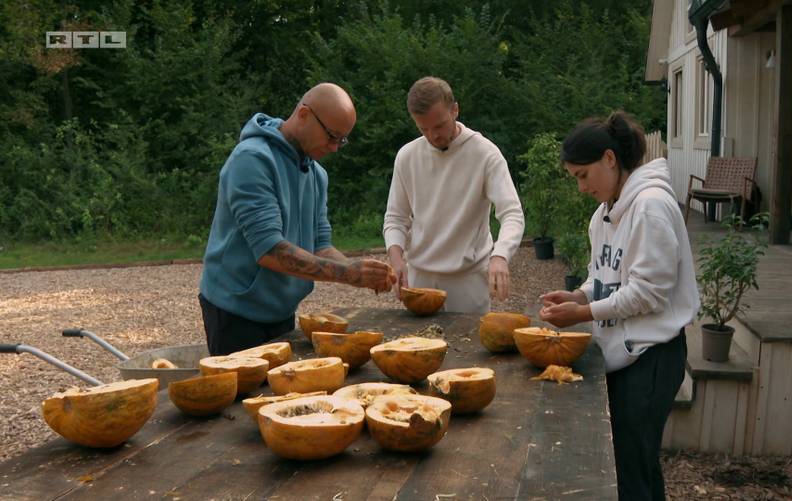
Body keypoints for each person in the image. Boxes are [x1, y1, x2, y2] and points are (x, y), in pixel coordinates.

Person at [538, 112, 699, 500]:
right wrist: (581, 295)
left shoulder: (650, 207)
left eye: (582, 175)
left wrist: (583, 313)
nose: (580, 187)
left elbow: (647, 292)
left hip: (652, 358)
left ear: (610, 159)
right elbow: (607, 278)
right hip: (625, 357)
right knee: (629, 464)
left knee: (633, 471)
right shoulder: (606, 214)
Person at [199, 83, 395, 356]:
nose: (335, 148)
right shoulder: (252, 160)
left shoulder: (317, 174)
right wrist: (348, 274)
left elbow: (320, 245)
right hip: (235, 311)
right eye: (331, 136)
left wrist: (360, 271)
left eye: (342, 140)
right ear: (304, 114)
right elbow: (270, 252)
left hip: (281, 310)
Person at [383, 76, 525, 314]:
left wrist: (500, 256)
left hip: (468, 282)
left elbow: (511, 213)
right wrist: (397, 260)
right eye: (423, 129)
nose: (432, 136)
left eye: (439, 126)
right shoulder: (407, 156)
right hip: (420, 280)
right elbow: (396, 218)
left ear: (455, 110)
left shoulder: (485, 154)